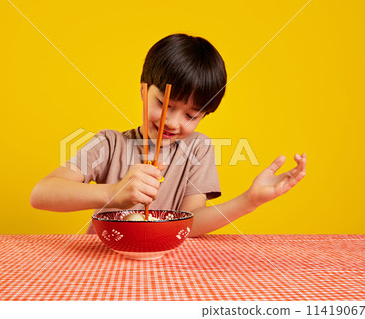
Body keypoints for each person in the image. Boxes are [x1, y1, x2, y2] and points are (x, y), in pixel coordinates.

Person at [30, 33, 307, 237]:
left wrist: (250, 200)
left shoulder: (199, 149)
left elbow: (192, 222)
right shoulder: (109, 143)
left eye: (191, 115)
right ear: (143, 92)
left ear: (204, 115)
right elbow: (41, 194)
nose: (172, 123)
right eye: (164, 105)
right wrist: (113, 193)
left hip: (171, 269)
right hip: (103, 264)